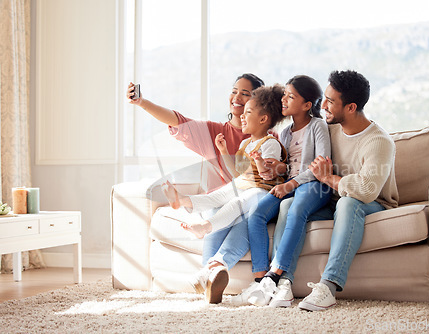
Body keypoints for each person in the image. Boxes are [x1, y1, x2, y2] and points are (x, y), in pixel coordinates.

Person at [294, 70, 399, 311]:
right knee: (292, 205)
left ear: (351, 107)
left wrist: (328, 177)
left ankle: (328, 287)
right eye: (325, 98)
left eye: (331, 102)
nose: (324, 106)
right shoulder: (329, 129)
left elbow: (366, 189)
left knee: (348, 202)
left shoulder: (378, 141)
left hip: (374, 204)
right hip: (330, 201)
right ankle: (280, 280)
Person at [240, 75, 332, 307]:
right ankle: (261, 278)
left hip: (314, 185)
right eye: (285, 95)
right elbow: (290, 165)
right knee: (257, 214)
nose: (284, 99)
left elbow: (320, 166)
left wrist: (290, 183)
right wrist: (278, 168)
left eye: (291, 96)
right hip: (289, 184)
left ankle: (276, 274)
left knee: (294, 207)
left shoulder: (317, 126)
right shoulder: (286, 133)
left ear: (307, 105)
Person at [162, 84, 287, 240]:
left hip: (262, 191)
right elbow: (237, 174)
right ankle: (181, 201)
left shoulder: (271, 143)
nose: (242, 115)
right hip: (245, 185)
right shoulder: (245, 144)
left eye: (248, 112)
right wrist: (224, 152)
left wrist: (260, 161)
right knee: (216, 196)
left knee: (236, 203)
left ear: (263, 119)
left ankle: (204, 227)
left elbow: (268, 175)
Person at [127, 73, 265, 191]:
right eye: (234, 91)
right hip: (217, 203)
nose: (237, 97)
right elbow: (177, 120)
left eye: (245, 94)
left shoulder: (266, 136)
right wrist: (142, 102)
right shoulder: (214, 132)